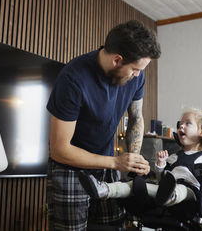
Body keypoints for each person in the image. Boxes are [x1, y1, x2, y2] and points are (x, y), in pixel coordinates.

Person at [46, 20, 161, 230]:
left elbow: (136, 117)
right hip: (70, 169)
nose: (137, 75)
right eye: (135, 69)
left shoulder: (137, 77)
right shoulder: (73, 79)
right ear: (117, 60)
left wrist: (132, 161)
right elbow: (59, 150)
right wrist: (116, 162)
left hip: (108, 165)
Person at [78, 108, 202, 207]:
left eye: (188, 124)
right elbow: (159, 176)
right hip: (165, 188)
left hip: (191, 194)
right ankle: (104, 190)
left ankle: (169, 195)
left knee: (179, 191)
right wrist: (160, 164)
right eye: (180, 124)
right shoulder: (175, 156)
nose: (181, 127)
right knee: (135, 185)